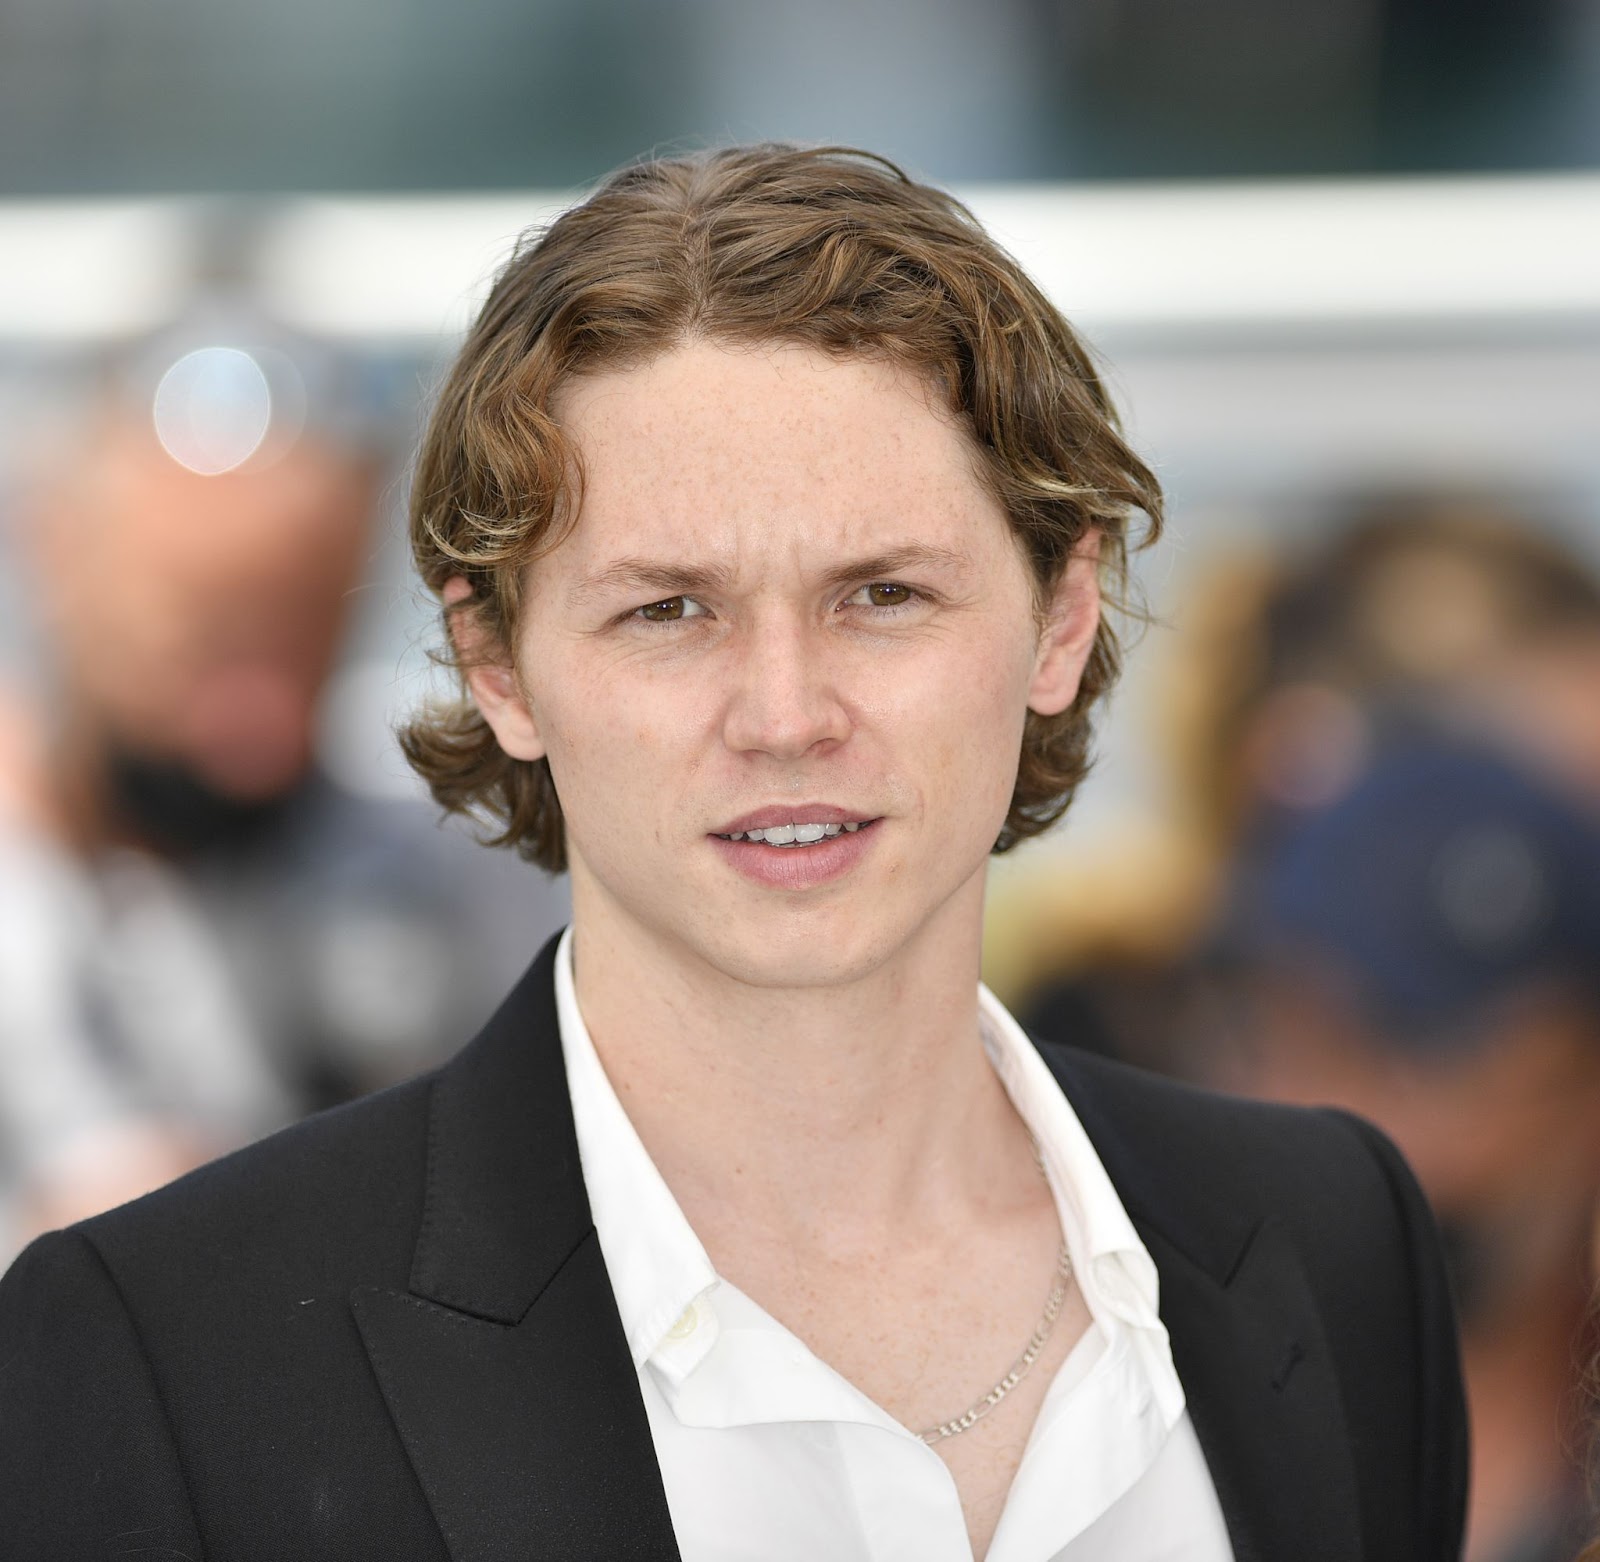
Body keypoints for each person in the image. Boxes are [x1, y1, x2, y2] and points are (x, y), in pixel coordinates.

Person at [0, 145, 1466, 1560]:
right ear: (496, 662)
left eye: (883, 594)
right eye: (669, 611)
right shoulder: (171, 1349)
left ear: (1061, 620)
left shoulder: (1336, 1243)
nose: (785, 715)